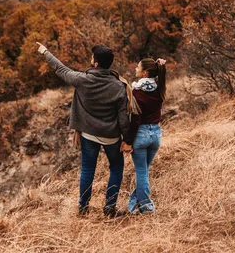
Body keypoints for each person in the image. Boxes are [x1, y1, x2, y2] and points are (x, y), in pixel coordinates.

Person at [37, 42, 134, 217]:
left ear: (96, 63)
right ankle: (110, 208)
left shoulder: (83, 80)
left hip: (89, 134)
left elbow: (61, 69)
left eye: (92, 58)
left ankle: (83, 209)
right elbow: (123, 119)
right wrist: (127, 139)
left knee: (87, 170)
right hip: (111, 136)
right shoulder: (119, 86)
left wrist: (45, 52)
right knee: (116, 168)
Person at [121, 58, 167, 214]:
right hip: (156, 135)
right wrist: (161, 67)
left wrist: (128, 141)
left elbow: (135, 119)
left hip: (141, 134)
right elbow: (162, 76)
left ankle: (146, 206)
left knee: (141, 172)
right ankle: (135, 205)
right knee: (144, 172)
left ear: (145, 73)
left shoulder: (137, 91)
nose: (135, 68)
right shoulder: (160, 88)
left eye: (138, 67)